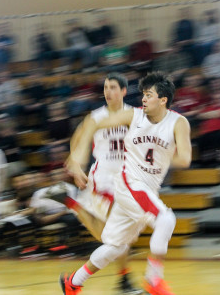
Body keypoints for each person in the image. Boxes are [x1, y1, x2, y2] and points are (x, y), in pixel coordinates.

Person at [62, 72, 192, 294]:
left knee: (116, 246)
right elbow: (93, 125)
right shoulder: (133, 116)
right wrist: (77, 158)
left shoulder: (179, 122)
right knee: (166, 219)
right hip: (127, 183)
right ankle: (153, 279)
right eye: (142, 94)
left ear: (163, 99)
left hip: (146, 188)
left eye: (148, 95)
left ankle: (73, 281)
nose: (143, 98)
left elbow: (185, 159)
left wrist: (164, 153)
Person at [46, 73, 141, 294]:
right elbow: (77, 140)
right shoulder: (96, 117)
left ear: (124, 91)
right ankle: (120, 280)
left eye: (113, 87)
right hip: (105, 177)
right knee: (116, 236)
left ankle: (72, 203)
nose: (108, 92)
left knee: (117, 238)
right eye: (106, 87)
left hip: (127, 178)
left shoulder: (135, 116)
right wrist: (76, 166)